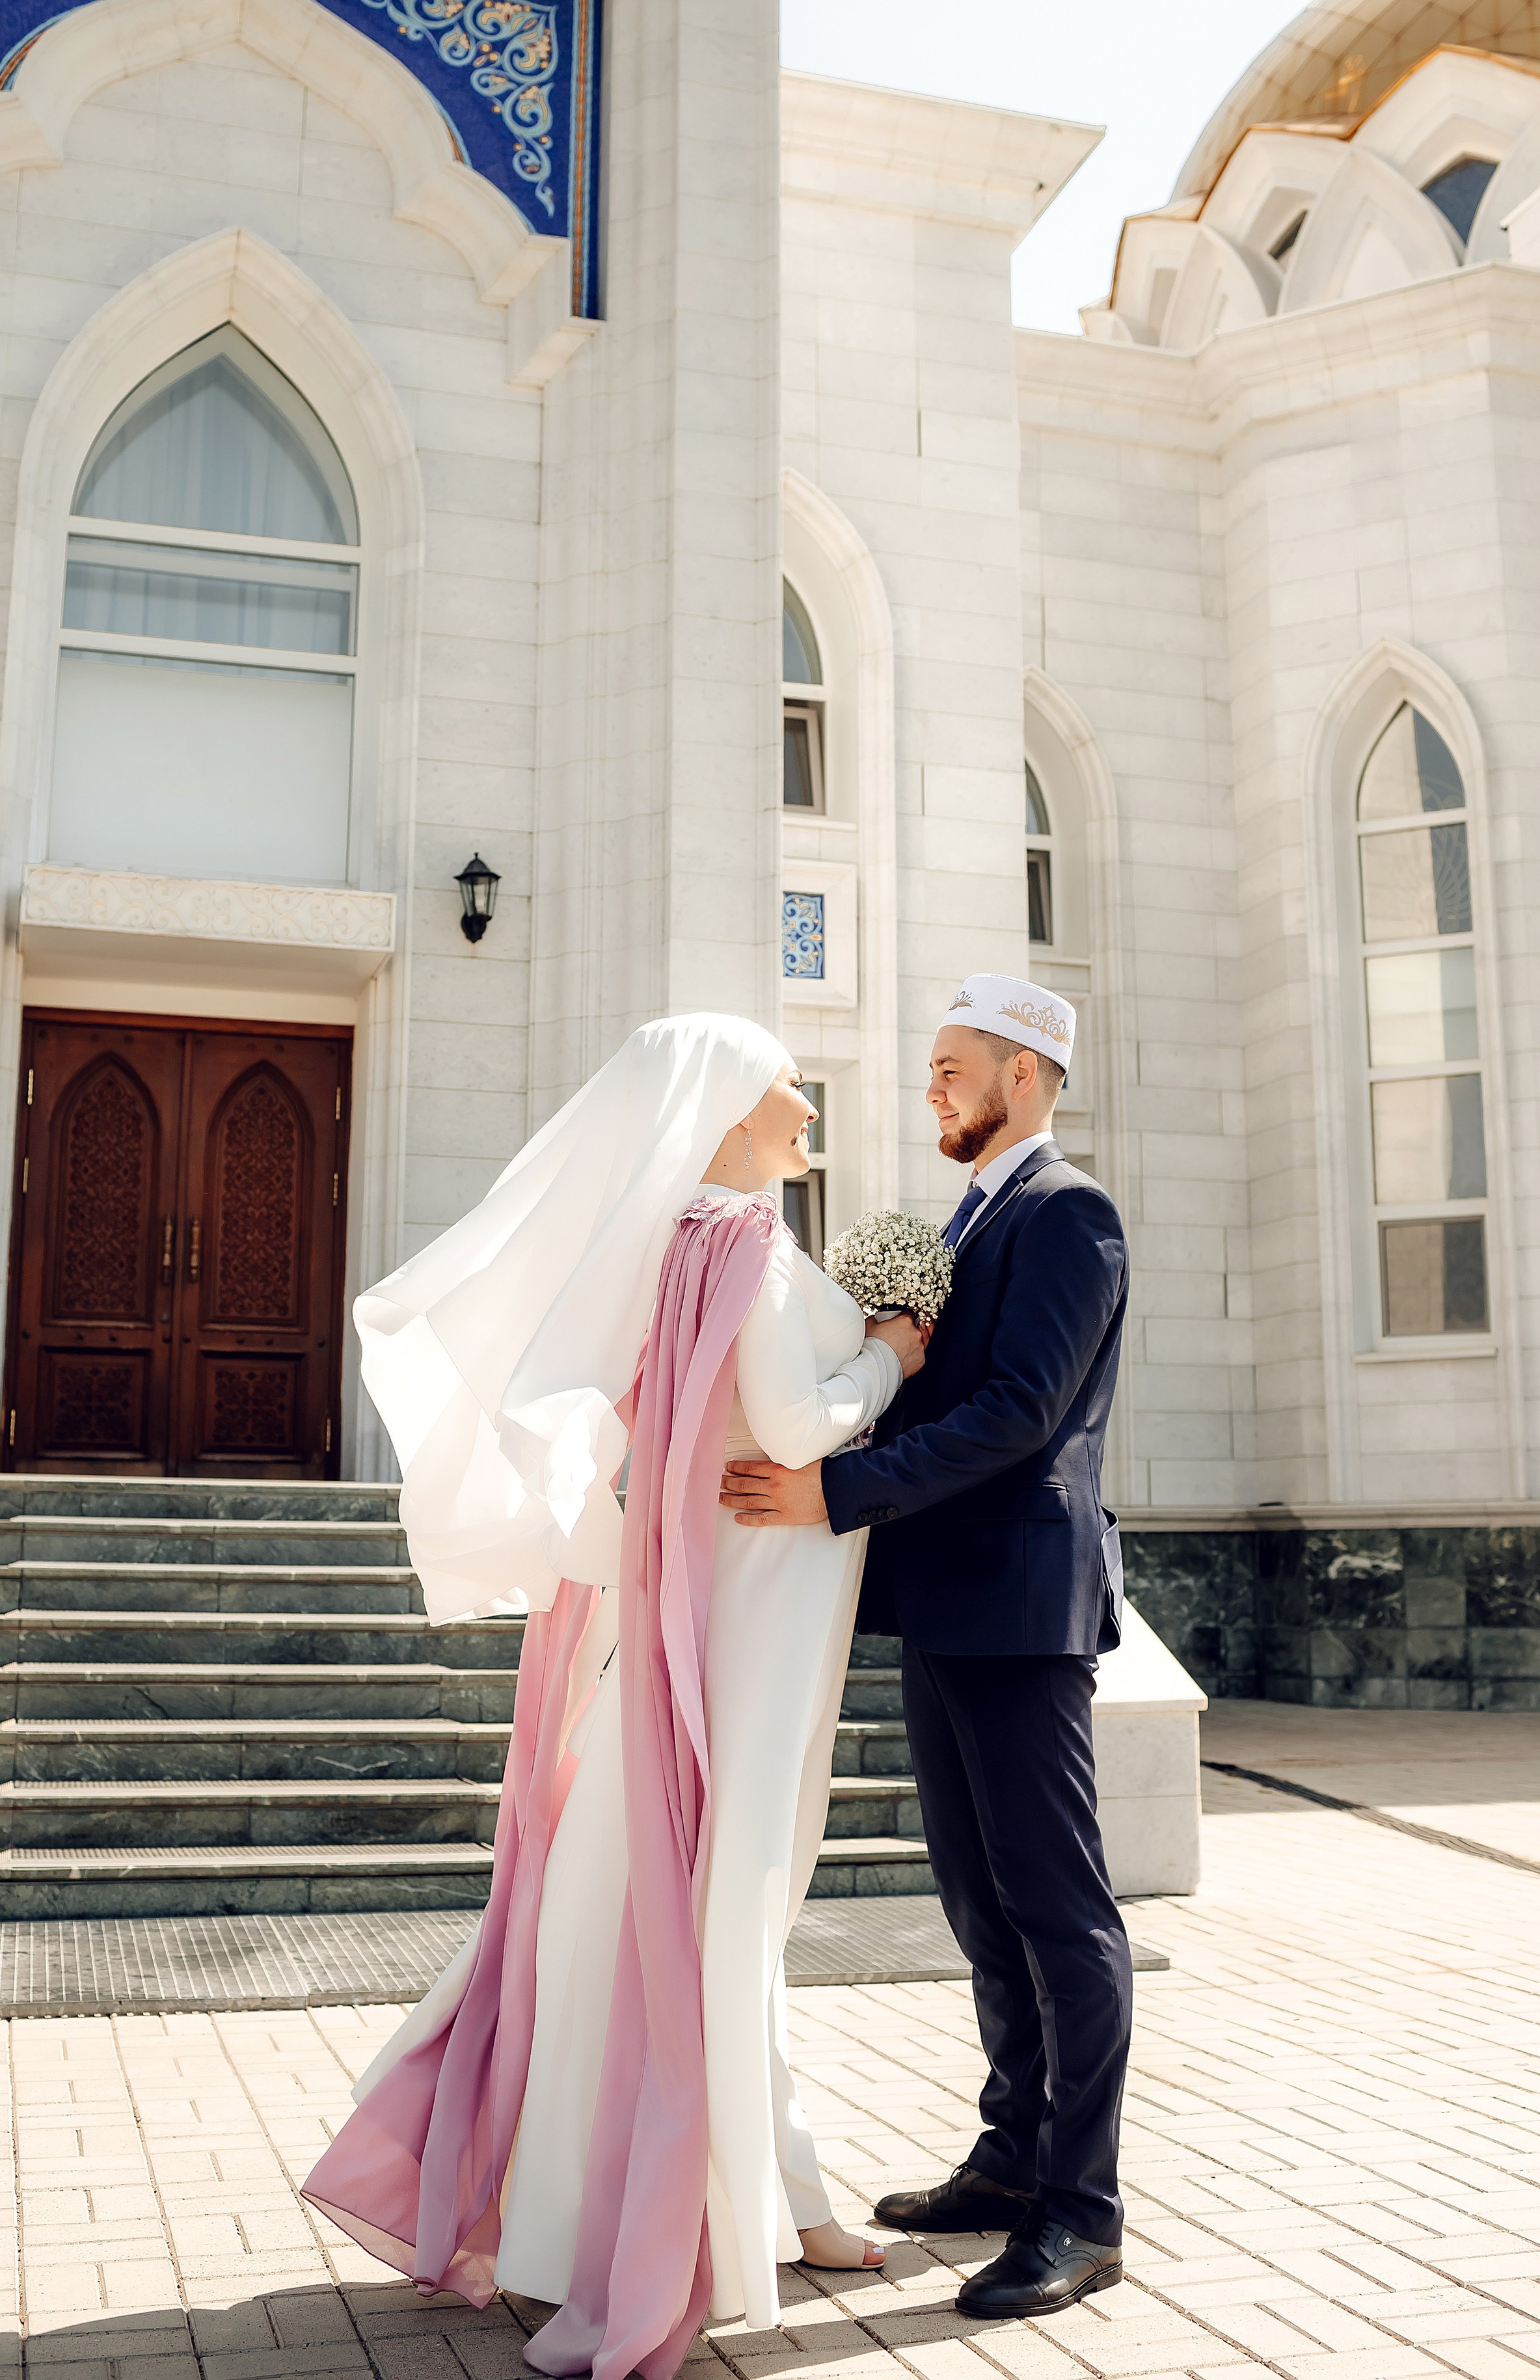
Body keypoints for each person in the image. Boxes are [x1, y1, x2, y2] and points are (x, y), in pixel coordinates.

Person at [301, 1012, 927, 2379]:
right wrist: (889, 1350)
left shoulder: (679, 1243)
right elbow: (800, 1423)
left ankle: (758, 2196)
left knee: (696, 1913)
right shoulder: (744, 1245)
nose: (805, 1110)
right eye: (786, 1089)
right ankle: (730, 2212)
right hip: (753, 1626)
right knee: (729, 1911)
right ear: (719, 1105)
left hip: (728, 1611)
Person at [720, 974, 1133, 2322]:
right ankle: (1010, 2157)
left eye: (953, 1065)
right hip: (947, 1602)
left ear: (1025, 1075)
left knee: (1057, 1910)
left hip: (1020, 1606)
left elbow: (1021, 1411)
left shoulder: (1066, 1213)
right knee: (975, 1897)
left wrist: (831, 1491)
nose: (931, 1086)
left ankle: (1080, 2208)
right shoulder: (969, 1216)